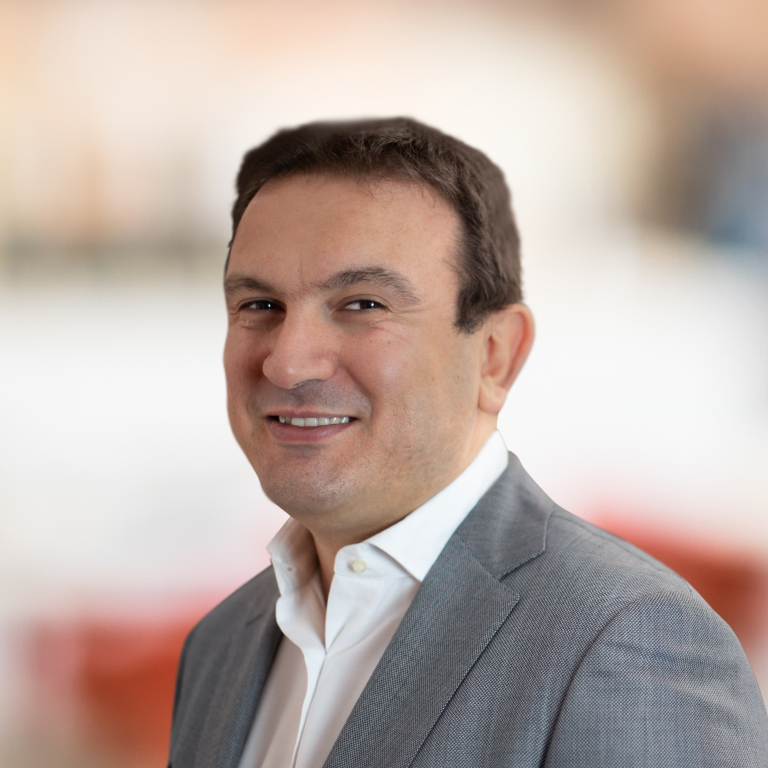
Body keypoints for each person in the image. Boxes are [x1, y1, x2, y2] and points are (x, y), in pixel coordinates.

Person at [167, 118, 768, 768]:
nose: (288, 364)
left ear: (495, 355)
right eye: (259, 305)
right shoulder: (219, 646)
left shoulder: (627, 640)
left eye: (363, 305)